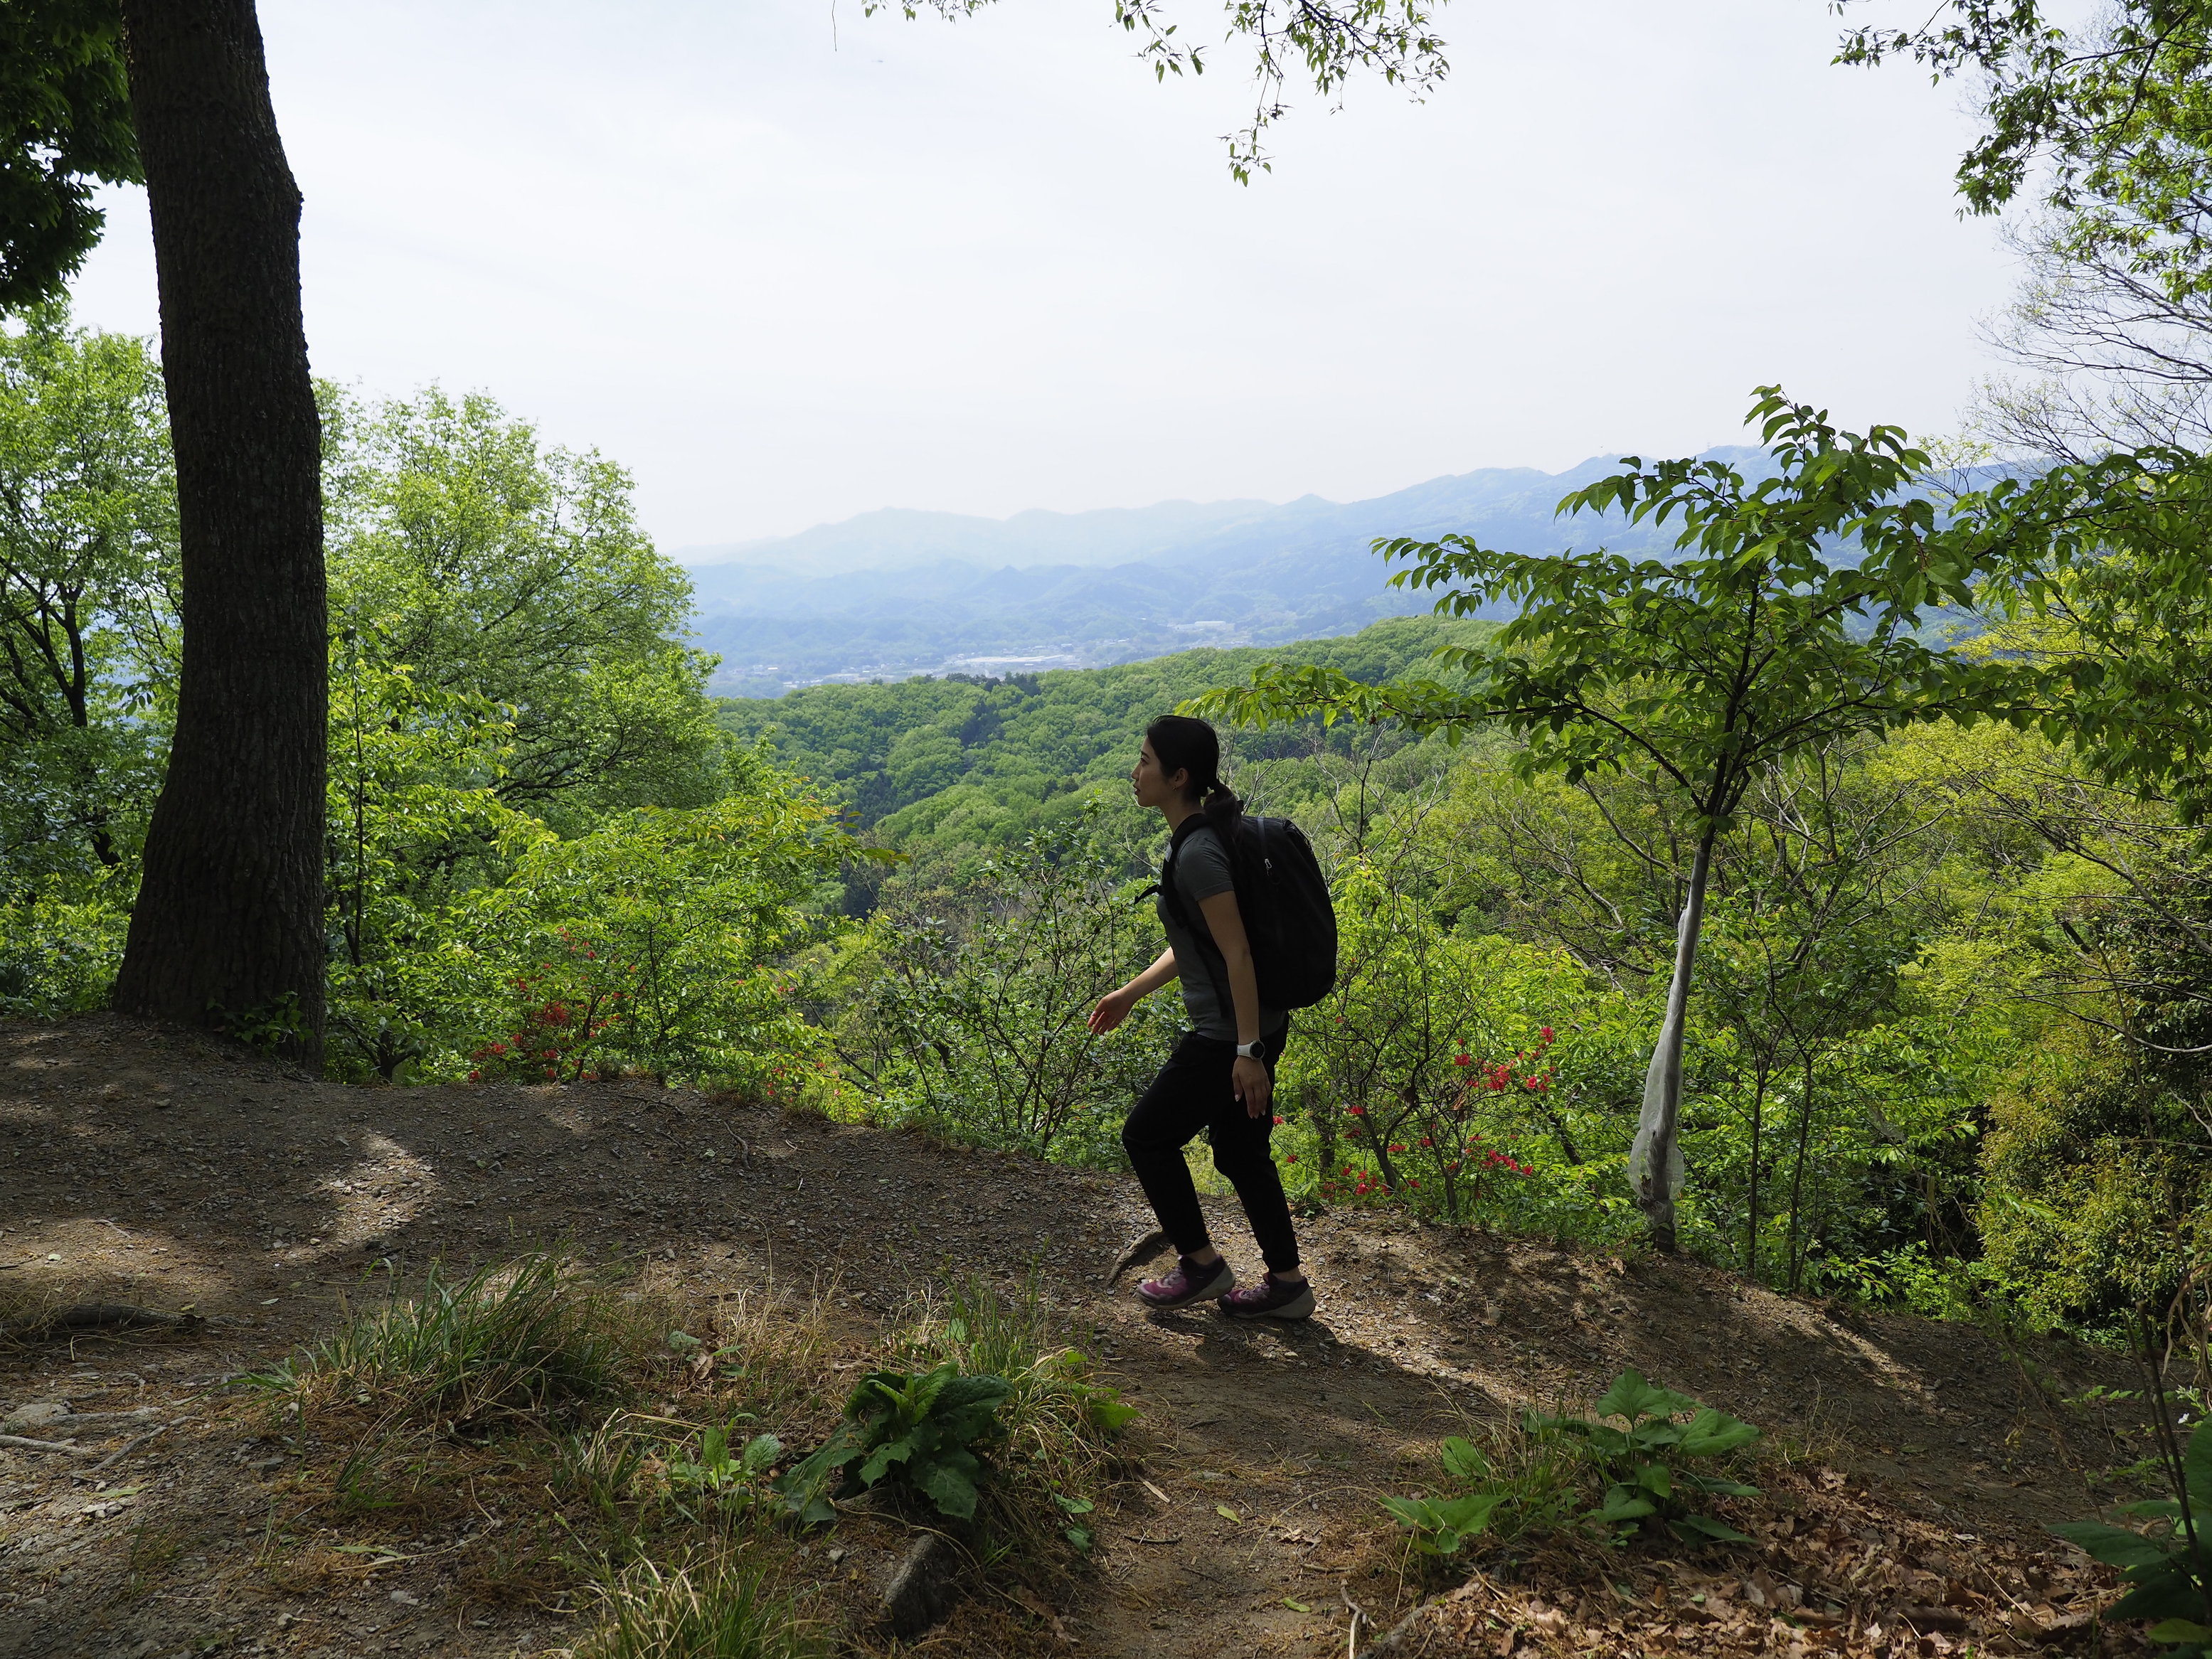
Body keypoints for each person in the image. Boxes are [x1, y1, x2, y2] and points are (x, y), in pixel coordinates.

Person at [1088, 715, 1314, 1320]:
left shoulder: (1199, 853)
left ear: (1178, 775)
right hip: (1256, 1023)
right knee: (1241, 1154)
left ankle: (1201, 1264)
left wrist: (1246, 1053)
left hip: (1229, 1036)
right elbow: (1202, 942)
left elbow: (1237, 951)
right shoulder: (1205, 834)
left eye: (1144, 761)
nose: (1135, 773)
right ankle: (1288, 1285)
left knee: (1147, 1135)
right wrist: (1130, 993)